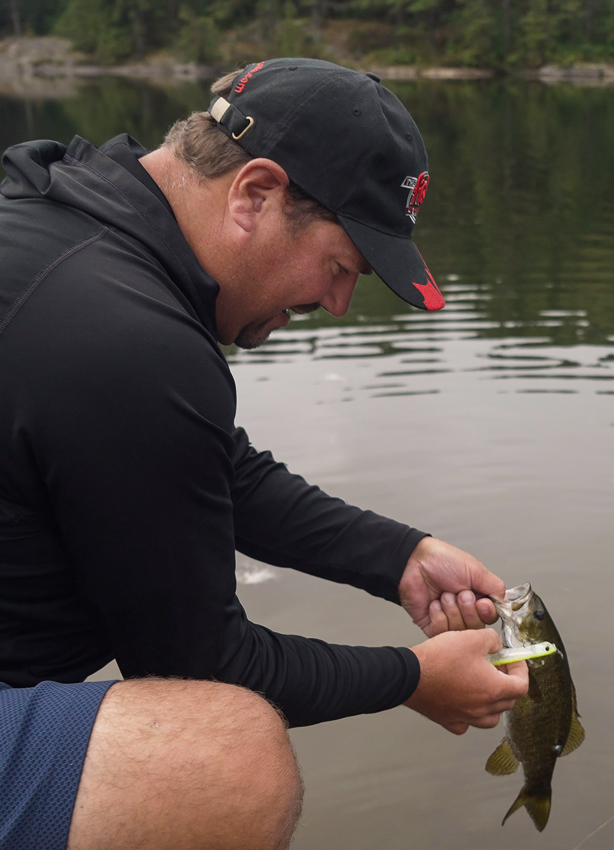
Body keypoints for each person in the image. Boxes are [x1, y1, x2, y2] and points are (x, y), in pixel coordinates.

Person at [0, 58, 528, 849]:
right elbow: (198, 664)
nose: (339, 304)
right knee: (224, 757)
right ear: (254, 194)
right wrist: (415, 678)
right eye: (341, 265)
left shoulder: (65, 206)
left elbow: (201, 463)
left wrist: (399, 557)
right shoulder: (132, 341)